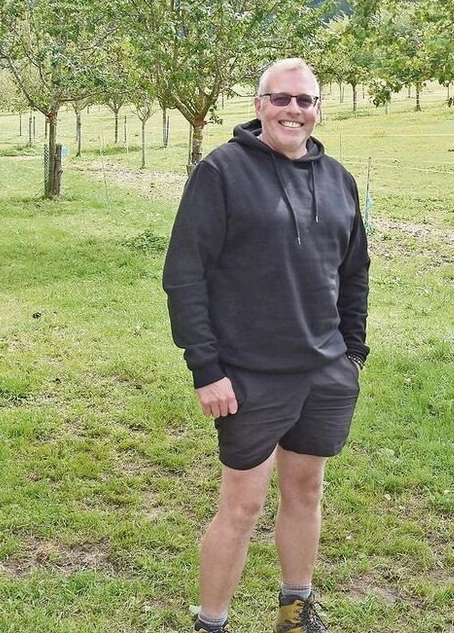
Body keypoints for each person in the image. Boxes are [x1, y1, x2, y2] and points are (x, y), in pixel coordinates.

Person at [163, 58, 370, 633]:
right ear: (258, 106)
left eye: (305, 101)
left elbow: (355, 273)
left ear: (318, 109)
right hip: (250, 376)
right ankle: (212, 623)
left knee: (306, 490)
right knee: (243, 505)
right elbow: (185, 275)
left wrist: (352, 355)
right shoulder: (222, 173)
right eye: (281, 99)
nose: (293, 111)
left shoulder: (339, 180)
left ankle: (295, 611)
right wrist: (206, 369)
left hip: (325, 372)